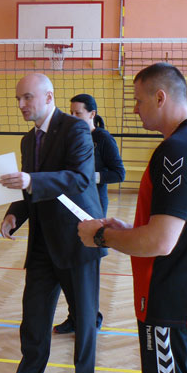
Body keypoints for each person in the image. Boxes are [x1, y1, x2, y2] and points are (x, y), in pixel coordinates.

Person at [78, 63, 187, 373]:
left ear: (160, 97)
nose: (135, 109)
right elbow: (180, 226)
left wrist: (101, 236)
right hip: (183, 293)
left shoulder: (177, 150)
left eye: (139, 100)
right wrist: (128, 230)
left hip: (169, 296)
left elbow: (162, 241)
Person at [0, 73, 105, 373]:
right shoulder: (28, 140)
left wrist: (32, 181)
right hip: (42, 243)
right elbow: (28, 188)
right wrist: (14, 214)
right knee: (34, 317)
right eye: (18, 98)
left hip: (78, 240)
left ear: (48, 97)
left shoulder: (75, 129)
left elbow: (80, 179)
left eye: (27, 97)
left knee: (84, 318)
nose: (21, 104)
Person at [54, 94, 125, 335]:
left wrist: (88, 176)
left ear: (92, 114)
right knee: (69, 266)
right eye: (71, 113)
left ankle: (93, 318)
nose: (73, 117)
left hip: (93, 207)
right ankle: (75, 317)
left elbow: (119, 173)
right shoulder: (69, 136)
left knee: (86, 267)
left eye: (78, 113)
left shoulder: (102, 138)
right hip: (70, 206)